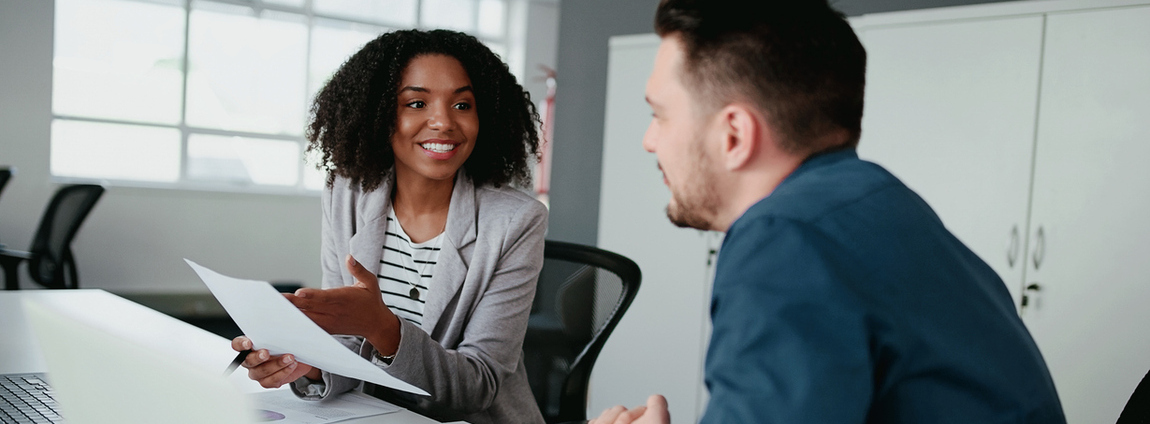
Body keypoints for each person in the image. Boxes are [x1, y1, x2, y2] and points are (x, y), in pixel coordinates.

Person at [591, 1, 1066, 423]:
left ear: (733, 134)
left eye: (660, 114)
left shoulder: (785, 238)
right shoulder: (877, 203)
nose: (649, 140)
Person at [231, 29, 547, 424]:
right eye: (416, 102)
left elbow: (475, 387)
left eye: (463, 105)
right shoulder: (346, 194)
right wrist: (305, 365)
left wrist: (382, 328)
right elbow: (344, 344)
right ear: (379, 114)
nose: (444, 122)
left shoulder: (516, 221)